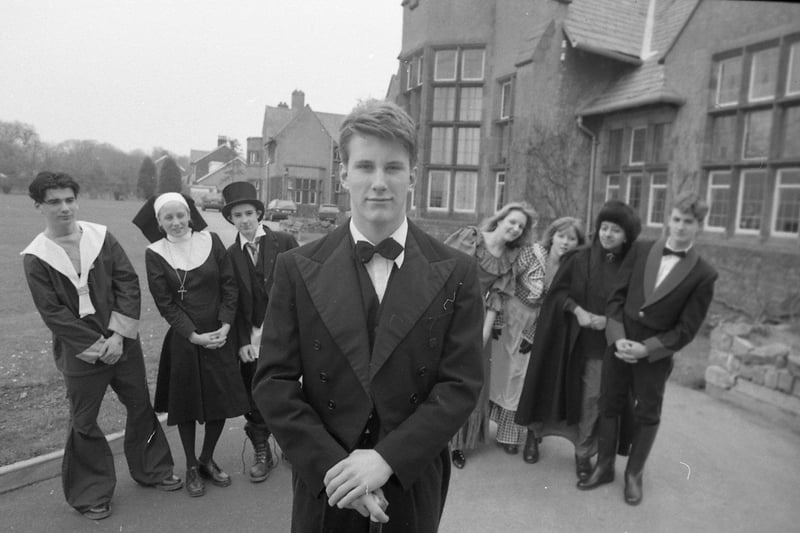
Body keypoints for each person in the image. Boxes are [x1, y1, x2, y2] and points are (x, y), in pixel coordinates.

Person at [252, 99, 484, 532]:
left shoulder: (456, 272)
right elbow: (273, 383)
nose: (379, 183)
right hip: (329, 482)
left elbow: (461, 384)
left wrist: (386, 460)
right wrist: (337, 471)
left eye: (393, 168)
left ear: (413, 176)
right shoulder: (297, 268)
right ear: (344, 175)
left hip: (410, 478)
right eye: (365, 167)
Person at [21, 172, 182, 521]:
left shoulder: (101, 237)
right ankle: (92, 491)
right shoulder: (36, 256)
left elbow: (127, 282)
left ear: (76, 201)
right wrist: (96, 345)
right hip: (80, 353)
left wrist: (119, 336)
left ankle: (152, 469)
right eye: (54, 202)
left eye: (69, 200)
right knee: (84, 421)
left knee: (141, 407)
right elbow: (53, 313)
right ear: (39, 206)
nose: (64, 208)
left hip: (121, 343)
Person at [578, 192, 717, 506]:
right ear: (669, 219)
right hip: (619, 342)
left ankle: (633, 475)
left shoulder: (704, 274)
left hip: (654, 355)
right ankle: (604, 467)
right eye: (677, 219)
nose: (681, 227)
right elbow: (616, 297)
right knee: (609, 405)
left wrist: (647, 349)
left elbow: (687, 329)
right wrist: (617, 336)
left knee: (648, 413)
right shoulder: (641, 250)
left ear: (699, 227)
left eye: (689, 222)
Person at [516, 201, 641, 483]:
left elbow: (634, 305)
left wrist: (609, 322)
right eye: (604, 228)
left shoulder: (631, 266)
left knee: (591, 399)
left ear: (626, 235)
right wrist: (578, 310)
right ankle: (533, 436)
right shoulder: (579, 257)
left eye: (616, 230)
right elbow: (557, 294)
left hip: (602, 345)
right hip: (565, 337)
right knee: (549, 385)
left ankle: (583, 452)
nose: (608, 234)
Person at [137, 192, 249, 498]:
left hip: (220, 337)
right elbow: (166, 303)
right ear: (159, 223)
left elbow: (230, 285)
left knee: (219, 403)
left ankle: (207, 459)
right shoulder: (155, 253)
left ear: (190, 216)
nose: (176, 223)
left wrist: (225, 325)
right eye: (168, 218)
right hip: (186, 342)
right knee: (186, 406)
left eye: (180, 215)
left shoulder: (211, 241)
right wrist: (193, 335)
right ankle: (189, 465)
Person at [445, 202, 538, 469]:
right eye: (512, 221)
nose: (515, 228)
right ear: (500, 219)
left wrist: (482, 337)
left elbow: (495, 301)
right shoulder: (471, 238)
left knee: (471, 382)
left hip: (477, 322)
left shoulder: (509, 258)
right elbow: (444, 275)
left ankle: (458, 444)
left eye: (520, 227)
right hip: (448, 314)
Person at [221, 180, 298, 482]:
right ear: (231, 220)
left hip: (286, 333)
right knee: (256, 393)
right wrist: (241, 342)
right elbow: (233, 302)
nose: (244, 220)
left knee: (290, 389)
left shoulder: (284, 241)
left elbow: (302, 288)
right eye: (237, 216)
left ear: (259, 213)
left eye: (249, 213)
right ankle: (262, 449)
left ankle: (293, 445)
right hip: (252, 337)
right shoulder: (230, 255)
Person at [490, 217, 585, 456]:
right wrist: (497, 316)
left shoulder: (572, 267)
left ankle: (509, 434)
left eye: (571, 238)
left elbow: (555, 305)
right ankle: (480, 426)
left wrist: (533, 333)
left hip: (537, 324)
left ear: (578, 243)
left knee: (518, 377)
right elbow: (507, 278)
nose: (565, 242)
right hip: (509, 312)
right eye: (561, 236)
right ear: (552, 235)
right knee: (495, 372)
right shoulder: (532, 253)